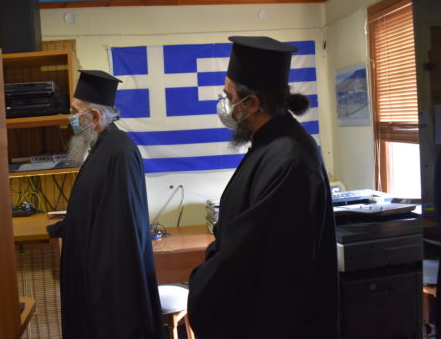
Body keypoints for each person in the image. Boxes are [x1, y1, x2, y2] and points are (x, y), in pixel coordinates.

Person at [187, 36, 340, 338]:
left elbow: (254, 254)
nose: (224, 105)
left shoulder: (290, 158)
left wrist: (202, 280)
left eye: (228, 96)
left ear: (253, 103)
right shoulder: (270, 143)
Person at [47, 70, 164, 339]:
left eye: (75, 112)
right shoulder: (102, 148)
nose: (71, 119)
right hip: (92, 275)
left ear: (95, 116)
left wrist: (99, 293)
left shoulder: (120, 152)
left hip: (110, 289)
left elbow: (118, 232)